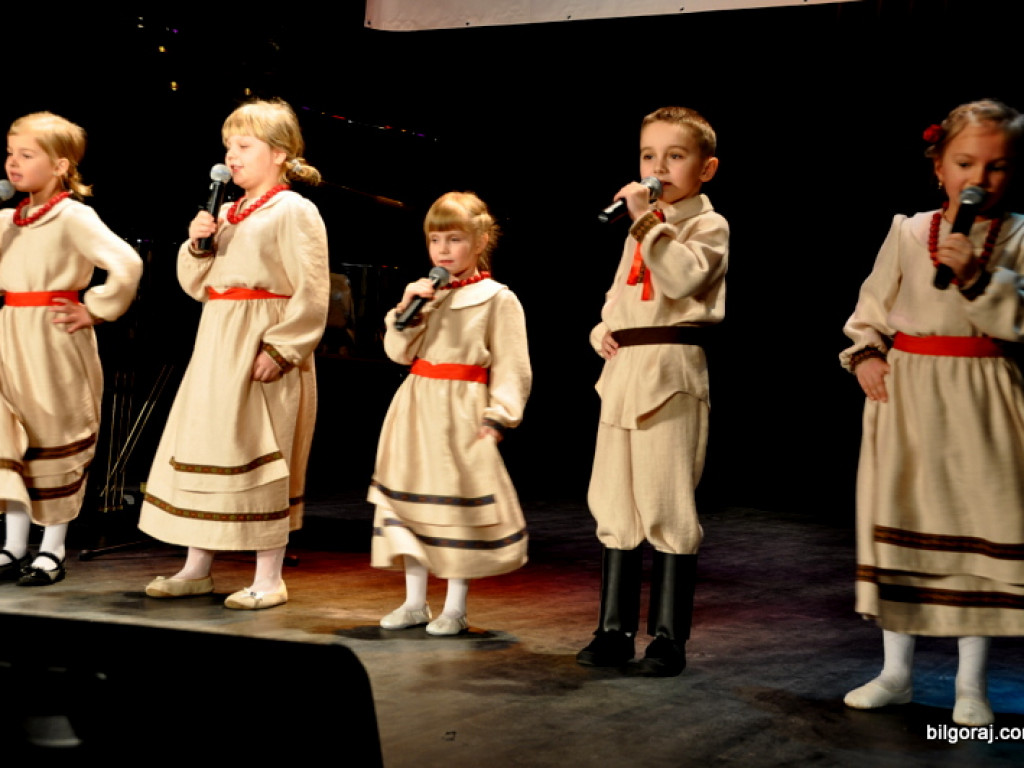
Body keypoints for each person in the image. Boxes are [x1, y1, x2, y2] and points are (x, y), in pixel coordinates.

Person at [841, 99, 1024, 727]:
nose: (979, 178)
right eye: (965, 163)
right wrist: (866, 353)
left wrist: (976, 276)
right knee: (904, 520)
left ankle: (970, 684)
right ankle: (896, 673)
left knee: (976, 528)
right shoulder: (908, 231)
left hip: (983, 395)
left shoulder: (1019, 237)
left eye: (996, 166)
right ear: (939, 167)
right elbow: (870, 307)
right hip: (910, 396)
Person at [138, 99, 329, 610]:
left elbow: (313, 290)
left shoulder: (294, 211)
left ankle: (269, 576)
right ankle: (196, 567)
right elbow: (198, 285)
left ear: (279, 154)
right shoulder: (225, 212)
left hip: (262, 338)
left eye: (244, 146)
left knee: (261, 452)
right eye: (228, 146)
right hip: (218, 340)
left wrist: (282, 348)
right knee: (209, 446)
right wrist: (197, 245)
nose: (231, 156)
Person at [576, 106, 728, 677]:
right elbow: (619, 296)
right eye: (648, 156)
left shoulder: (708, 226)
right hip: (625, 370)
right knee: (614, 498)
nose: (657, 168)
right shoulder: (644, 226)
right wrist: (602, 328)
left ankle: (667, 638)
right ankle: (613, 629)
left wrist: (644, 221)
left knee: (667, 502)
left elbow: (684, 277)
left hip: (671, 370)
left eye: (674, 155)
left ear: (706, 168)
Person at [368, 191, 531, 636]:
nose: (442, 249)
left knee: (455, 508)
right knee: (410, 502)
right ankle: (414, 602)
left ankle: (454, 607)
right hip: (416, 405)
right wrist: (406, 310)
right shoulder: (426, 294)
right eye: (435, 239)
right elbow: (398, 352)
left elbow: (513, 366)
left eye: (454, 239)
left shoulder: (497, 298)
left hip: (461, 408)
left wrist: (500, 415)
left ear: (480, 241)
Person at [0, 112, 142, 586]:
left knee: (52, 432)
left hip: (53, 339)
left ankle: (52, 548)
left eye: (26, 155)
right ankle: (13, 544)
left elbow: (126, 262)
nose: (13, 163)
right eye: (10, 153)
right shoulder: (7, 220)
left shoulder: (73, 216)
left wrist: (95, 309)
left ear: (60, 166)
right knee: (10, 436)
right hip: (10, 334)